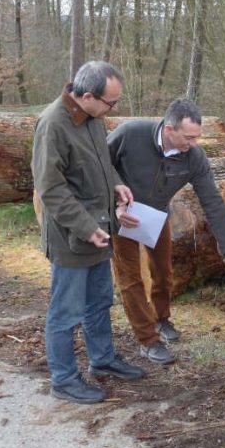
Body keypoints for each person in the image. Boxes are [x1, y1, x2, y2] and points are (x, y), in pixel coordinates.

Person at [107, 98, 225, 364]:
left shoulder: (194, 158)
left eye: (197, 137)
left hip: (156, 216)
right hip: (122, 215)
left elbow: (212, 202)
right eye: (189, 137)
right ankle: (147, 340)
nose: (194, 143)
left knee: (163, 272)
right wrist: (115, 201)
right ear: (169, 130)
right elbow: (99, 165)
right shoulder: (130, 134)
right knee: (130, 278)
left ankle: (162, 319)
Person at [32, 61, 146, 405]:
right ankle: (64, 379)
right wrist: (85, 227)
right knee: (65, 311)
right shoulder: (53, 125)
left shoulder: (93, 118)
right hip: (71, 238)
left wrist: (117, 186)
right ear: (85, 96)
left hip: (101, 229)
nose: (113, 108)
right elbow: (50, 189)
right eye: (110, 103)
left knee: (99, 301)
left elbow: (102, 163)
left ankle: (103, 360)